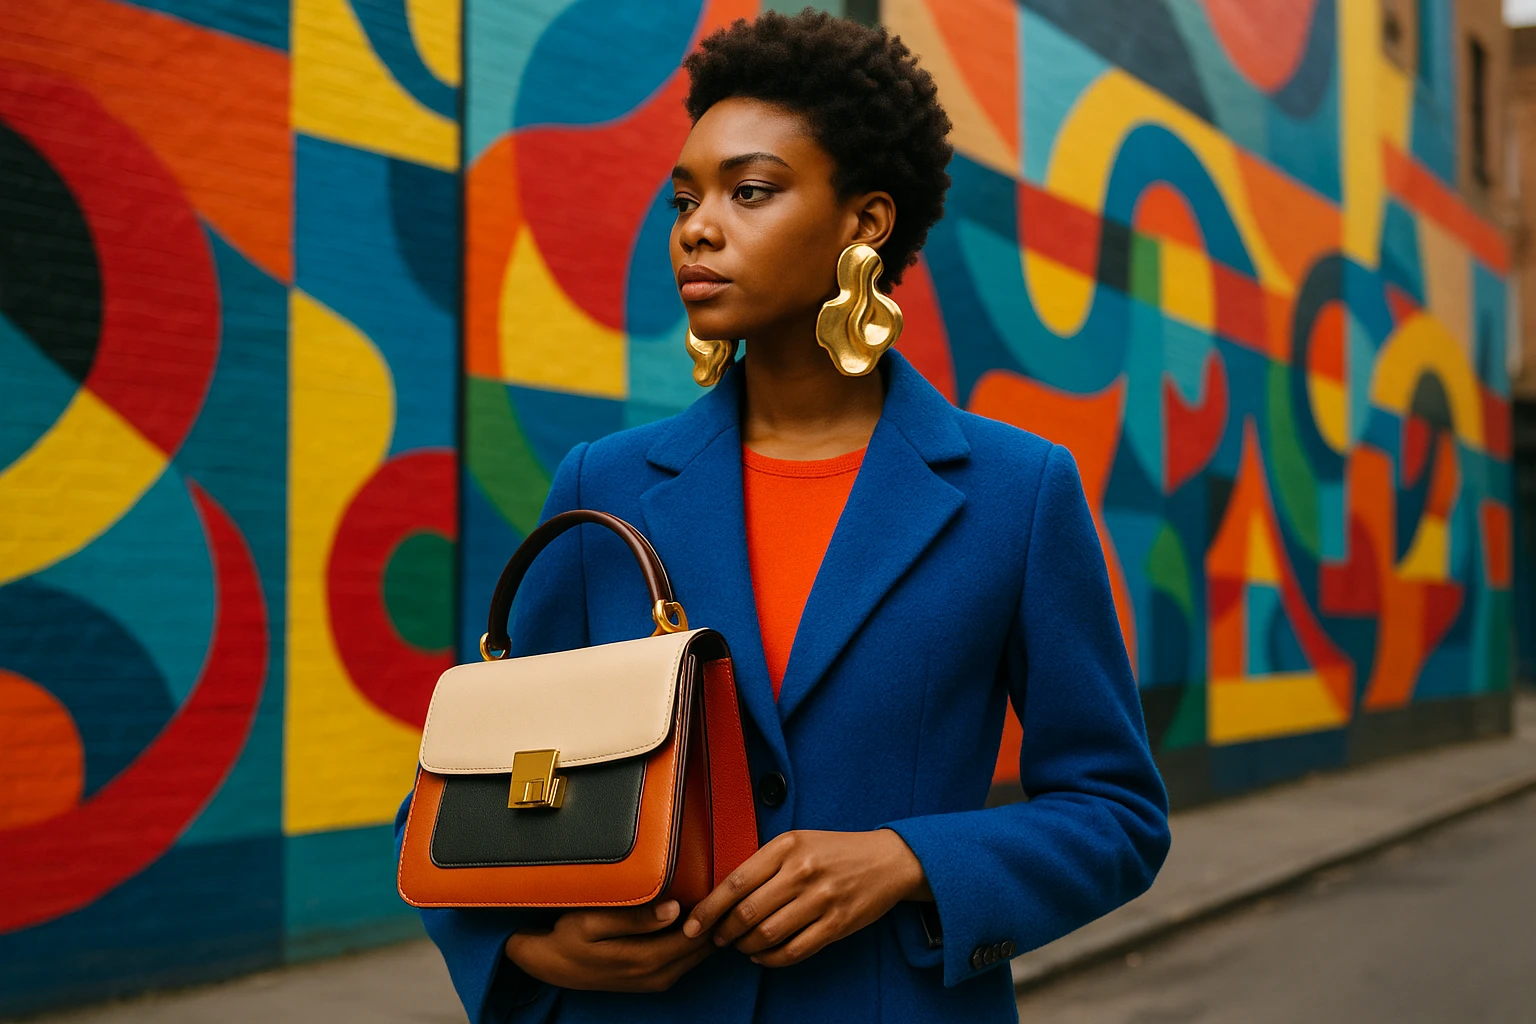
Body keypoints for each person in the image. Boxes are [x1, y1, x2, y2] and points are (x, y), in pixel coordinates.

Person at [398, 10, 1170, 1023]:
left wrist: (907, 859)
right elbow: (459, 790)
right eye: (685, 198)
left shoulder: (1015, 493)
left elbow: (1115, 812)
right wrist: (531, 950)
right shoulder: (604, 486)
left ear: (866, 222)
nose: (697, 227)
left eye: (750, 191)